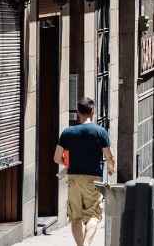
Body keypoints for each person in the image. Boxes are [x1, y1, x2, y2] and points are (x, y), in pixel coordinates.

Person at [55, 99, 114, 246]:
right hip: (93, 180)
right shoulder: (101, 132)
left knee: (75, 217)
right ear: (92, 112)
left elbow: (57, 158)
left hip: (74, 178)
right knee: (93, 215)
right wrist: (112, 168)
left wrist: (68, 163)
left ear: (77, 113)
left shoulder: (68, 132)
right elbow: (109, 156)